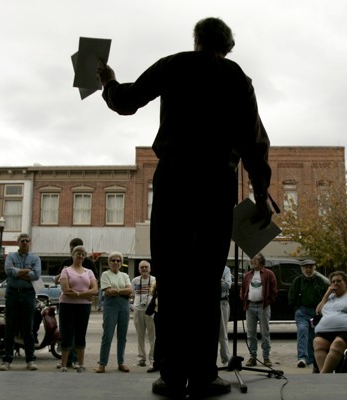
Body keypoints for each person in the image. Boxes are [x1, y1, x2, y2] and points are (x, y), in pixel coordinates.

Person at [97, 16, 272, 398]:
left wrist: (108, 81)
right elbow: (253, 143)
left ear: (196, 41)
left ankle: (172, 377)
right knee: (207, 282)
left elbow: (126, 101)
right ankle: (205, 375)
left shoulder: (173, 64)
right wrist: (260, 192)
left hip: (174, 181)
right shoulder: (236, 78)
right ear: (226, 47)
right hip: (215, 184)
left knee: (173, 281)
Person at [0, 233, 42, 372]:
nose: (24, 243)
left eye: (27, 241)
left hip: (28, 295)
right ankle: (7, 360)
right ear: (18, 243)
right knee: (10, 328)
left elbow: (36, 275)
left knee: (28, 329)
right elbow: (8, 271)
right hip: (12, 294)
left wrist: (18, 273)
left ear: (30, 243)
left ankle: (30, 359)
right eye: (22, 241)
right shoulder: (11, 256)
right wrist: (27, 272)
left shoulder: (35, 258)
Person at [54, 237, 96, 369]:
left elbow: (94, 286)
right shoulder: (66, 264)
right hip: (68, 304)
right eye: (74, 250)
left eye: (81, 252)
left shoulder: (89, 265)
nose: (79, 255)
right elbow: (63, 287)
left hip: (84, 304)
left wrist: (81, 294)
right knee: (67, 332)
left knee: (80, 333)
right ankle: (66, 362)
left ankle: (78, 360)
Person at [96, 252, 132, 373]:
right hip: (110, 305)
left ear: (121, 263)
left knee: (122, 336)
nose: (115, 262)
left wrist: (116, 290)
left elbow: (130, 290)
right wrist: (123, 291)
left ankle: (121, 362)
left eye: (118, 260)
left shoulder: (125, 275)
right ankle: (102, 363)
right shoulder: (105, 274)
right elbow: (108, 292)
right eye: (113, 260)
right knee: (108, 335)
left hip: (124, 306)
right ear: (109, 262)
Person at [288, 260, 328, 368]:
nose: (308, 270)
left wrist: (320, 310)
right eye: (306, 267)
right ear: (302, 269)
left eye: (310, 267)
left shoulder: (319, 281)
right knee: (302, 331)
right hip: (302, 312)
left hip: (315, 313)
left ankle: (310, 359)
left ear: (314, 268)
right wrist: (297, 309)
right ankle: (302, 358)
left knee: (312, 335)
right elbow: (291, 297)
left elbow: (325, 297)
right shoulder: (298, 281)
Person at [240, 253, 278, 367]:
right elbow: (242, 289)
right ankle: (252, 357)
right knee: (251, 333)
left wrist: (268, 301)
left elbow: (274, 290)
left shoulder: (269, 274)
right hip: (250, 306)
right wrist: (243, 298)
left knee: (265, 333)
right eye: (252, 259)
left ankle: (266, 357)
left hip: (263, 306)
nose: (252, 261)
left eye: (255, 259)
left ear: (261, 261)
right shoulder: (247, 275)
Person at [132, 260, 156, 368]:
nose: (144, 269)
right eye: (142, 267)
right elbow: (133, 294)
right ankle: (141, 358)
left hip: (151, 310)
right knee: (140, 336)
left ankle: (152, 359)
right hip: (138, 309)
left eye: (146, 267)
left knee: (153, 336)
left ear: (150, 269)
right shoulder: (135, 280)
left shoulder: (155, 280)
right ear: (139, 269)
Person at [218, 265, 232, 366]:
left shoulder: (225, 269)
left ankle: (226, 360)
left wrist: (221, 282)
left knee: (223, 334)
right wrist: (221, 281)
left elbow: (228, 285)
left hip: (222, 302)